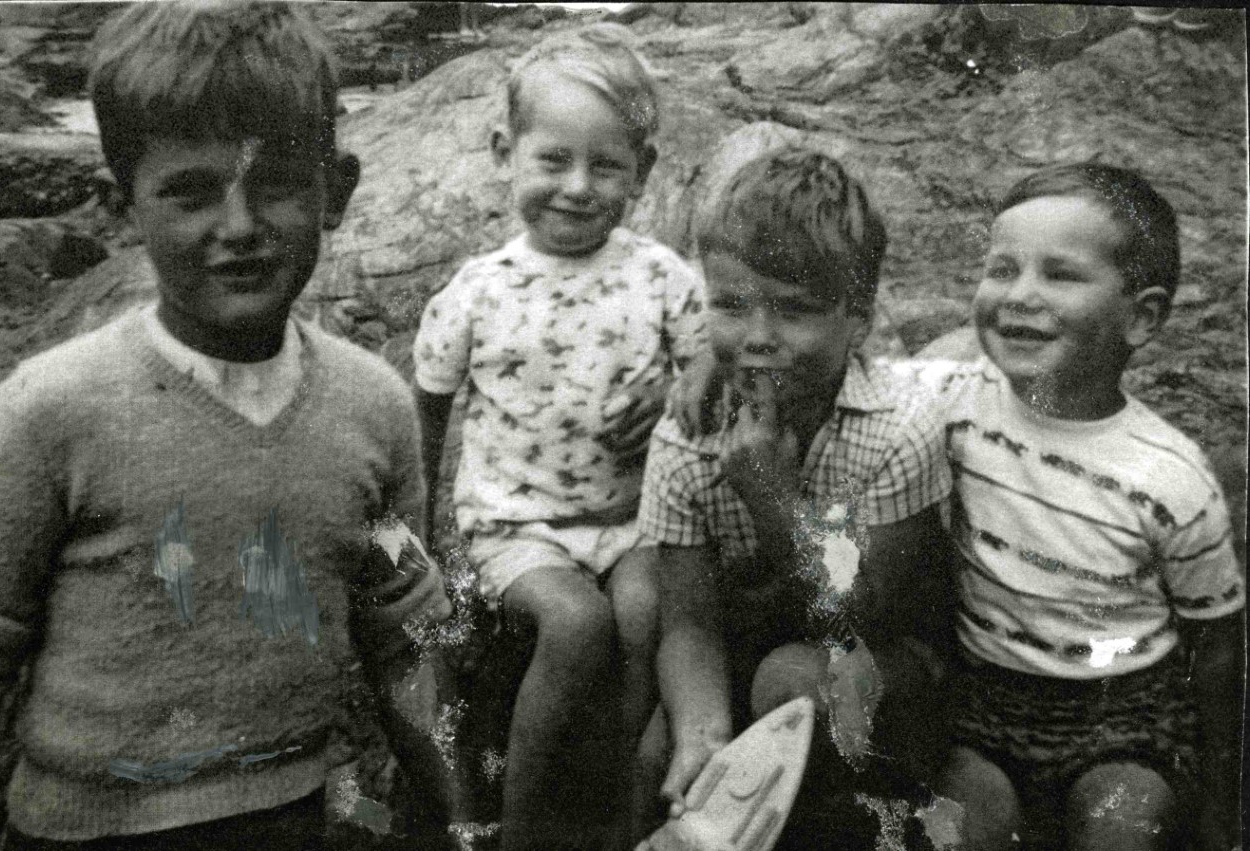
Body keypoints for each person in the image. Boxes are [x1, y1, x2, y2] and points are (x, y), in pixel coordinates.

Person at [0, 3, 465, 848]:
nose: (239, 228)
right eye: (190, 192)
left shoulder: (375, 407)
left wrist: (467, 822)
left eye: (276, 185)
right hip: (89, 831)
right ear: (123, 210)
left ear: (336, 190)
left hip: (305, 819)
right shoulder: (50, 411)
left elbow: (409, 640)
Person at [411, 24, 706, 851]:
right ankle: (524, 824)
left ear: (641, 173)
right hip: (516, 527)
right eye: (552, 160)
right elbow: (428, 406)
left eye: (606, 165)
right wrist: (425, 537)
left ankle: (619, 805)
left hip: (630, 519)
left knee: (649, 610)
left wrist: (674, 392)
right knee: (577, 625)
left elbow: (710, 368)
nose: (577, 187)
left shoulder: (659, 275)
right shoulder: (479, 290)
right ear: (506, 152)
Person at [636, 146, 955, 847]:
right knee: (666, 754)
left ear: (859, 318)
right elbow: (687, 621)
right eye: (729, 305)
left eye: (795, 311)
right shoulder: (687, 436)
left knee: (796, 682)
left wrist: (773, 501)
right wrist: (702, 731)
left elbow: (860, 618)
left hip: (887, 668)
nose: (757, 340)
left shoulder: (900, 427)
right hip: (754, 655)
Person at [930, 163, 1244, 851]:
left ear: (1142, 316)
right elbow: (845, 376)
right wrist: (715, 363)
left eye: (1060, 275)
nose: (1020, 295)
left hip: (1125, 715)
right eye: (1003, 268)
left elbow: (1217, 647)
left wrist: (1226, 804)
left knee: (1121, 826)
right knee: (954, 830)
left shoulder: (1170, 478)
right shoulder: (954, 399)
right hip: (986, 702)